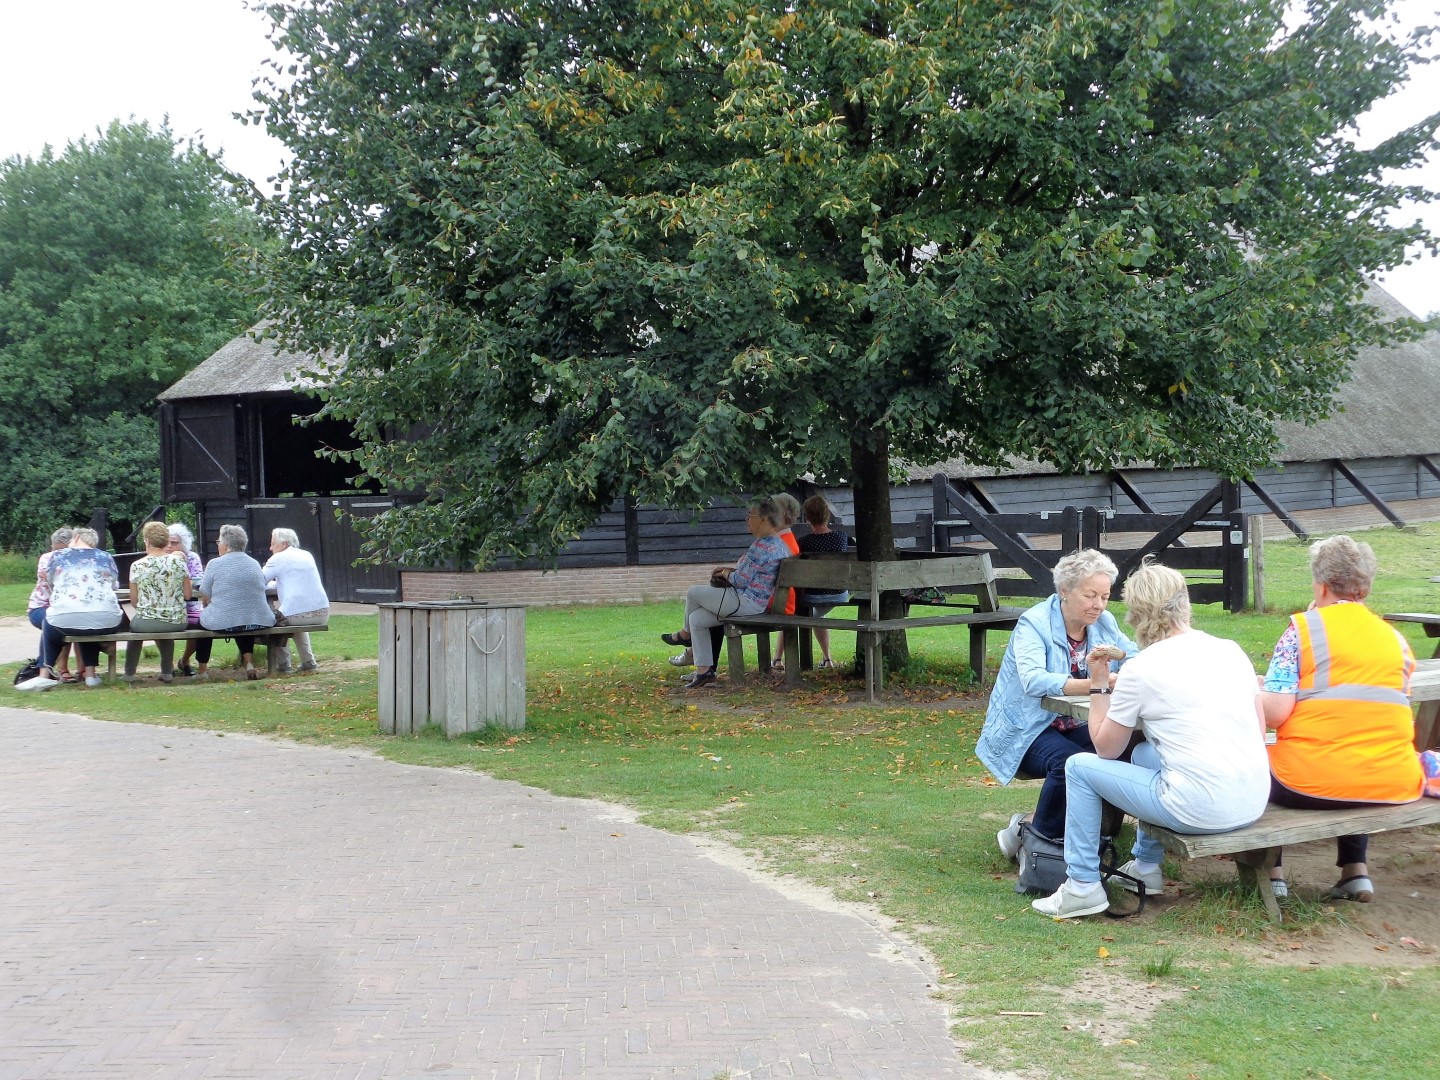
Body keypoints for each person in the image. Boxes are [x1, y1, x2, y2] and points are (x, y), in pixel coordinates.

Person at [1032, 561, 1271, 919]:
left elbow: (1106, 748)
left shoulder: (1141, 669)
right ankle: (1145, 865)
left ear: (1137, 614)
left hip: (1200, 808)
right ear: (1184, 603)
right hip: (1252, 799)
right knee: (1144, 753)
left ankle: (1081, 885)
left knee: (1078, 767)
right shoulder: (1230, 649)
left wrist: (1099, 683)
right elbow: (1259, 729)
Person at [1259, 535, 1424, 903]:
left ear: (1320, 585)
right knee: (1355, 743)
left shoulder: (1302, 630)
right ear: (1365, 587)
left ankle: (1273, 874)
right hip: (1391, 781)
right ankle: (1355, 871)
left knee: (1259, 757)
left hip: (1308, 782)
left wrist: (1258, 691)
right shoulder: (1395, 639)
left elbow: (1275, 713)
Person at [976, 549, 1137, 857]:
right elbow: (1034, 680)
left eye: (1105, 596)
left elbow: (1133, 655)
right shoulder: (1034, 623)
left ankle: (1044, 825)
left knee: (1123, 746)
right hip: (1027, 729)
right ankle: (1039, 845)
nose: (1099, 605)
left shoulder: (1104, 622)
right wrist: (1096, 684)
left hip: (1075, 722)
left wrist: (1135, 668)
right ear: (1064, 590)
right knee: (1068, 762)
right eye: (1090, 595)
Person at [660, 497, 791, 689]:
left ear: (763, 519)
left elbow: (740, 580)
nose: (747, 519)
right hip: (751, 602)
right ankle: (704, 672)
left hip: (745, 602)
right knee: (697, 619)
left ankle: (684, 635)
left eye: (750, 515)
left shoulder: (763, 546)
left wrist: (724, 573)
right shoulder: (777, 544)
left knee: (693, 593)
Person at [17, 528, 126, 690]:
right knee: (88, 620)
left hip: (67, 617)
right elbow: (113, 585)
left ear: (76, 538)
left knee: (52, 622)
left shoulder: (58, 556)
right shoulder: (106, 557)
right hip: (107, 620)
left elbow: (51, 583)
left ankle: (44, 674)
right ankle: (90, 675)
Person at [197, 524, 276, 680]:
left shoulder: (214, 564)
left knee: (204, 623)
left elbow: (205, 595)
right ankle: (249, 663)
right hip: (258, 620)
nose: (218, 545)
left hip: (226, 621)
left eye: (219, 542)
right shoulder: (254, 563)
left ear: (226, 545)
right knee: (242, 616)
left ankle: (202, 670)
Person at [124, 521, 192, 683]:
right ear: (166, 541)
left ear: (147, 541)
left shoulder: (137, 566)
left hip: (147, 621)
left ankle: (129, 673)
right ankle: (167, 672)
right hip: (177, 621)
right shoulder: (179, 562)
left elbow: (134, 600)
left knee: (134, 629)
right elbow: (188, 595)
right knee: (166, 626)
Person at [263, 528, 330, 674]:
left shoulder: (277, 558)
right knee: (293, 616)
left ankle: (283, 665)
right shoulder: (306, 555)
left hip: (297, 615)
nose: (270, 548)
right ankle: (309, 662)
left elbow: (259, 581)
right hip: (322, 612)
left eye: (273, 543)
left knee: (273, 620)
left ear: (284, 544)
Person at [795, 495, 851, 669]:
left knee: (802, 613)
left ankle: (777, 659)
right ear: (827, 515)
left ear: (807, 518)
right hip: (839, 594)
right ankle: (827, 659)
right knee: (818, 614)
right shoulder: (841, 537)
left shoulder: (803, 542)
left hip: (812, 596)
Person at [26, 527, 76, 682]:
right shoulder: (47, 559)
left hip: (66, 608)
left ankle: (83, 669)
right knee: (55, 622)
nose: (58, 553)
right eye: (56, 549)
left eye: (62, 550)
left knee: (73, 621)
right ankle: (52, 669)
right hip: (41, 607)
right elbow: (53, 583)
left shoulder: (76, 559)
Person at [768, 493, 803, 671]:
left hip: (776, 602)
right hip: (785, 602)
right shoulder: (789, 540)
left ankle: (697, 657)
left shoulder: (777, 542)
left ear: (781, 514)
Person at [166, 522, 206, 675]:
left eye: (174, 543)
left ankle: (184, 660)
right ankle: (167, 663)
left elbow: (198, 582)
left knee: (203, 623)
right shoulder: (159, 558)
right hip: (166, 608)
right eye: (167, 542)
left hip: (190, 607)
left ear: (183, 544)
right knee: (160, 622)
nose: (169, 546)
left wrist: (180, 565)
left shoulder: (192, 557)